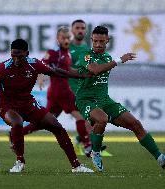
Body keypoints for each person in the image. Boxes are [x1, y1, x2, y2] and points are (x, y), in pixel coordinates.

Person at [75, 26, 165, 172]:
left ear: (107, 41)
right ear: (91, 40)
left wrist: (114, 61)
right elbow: (95, 69)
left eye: (101, 41)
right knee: (102, 119)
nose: (98, 44)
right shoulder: (85, 54)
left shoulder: (107, 58)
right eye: (95, 41)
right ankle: (95, 152)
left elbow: (101, 69)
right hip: (86, 100)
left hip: (105, 100)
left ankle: (160, 158)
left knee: (135, 124)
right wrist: (120, 60)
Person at [0, 39, 94, 173]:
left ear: (27, 53)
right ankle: (20, 161)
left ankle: (76, 166)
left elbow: (56, 72)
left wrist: (79, 75)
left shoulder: (34, 64)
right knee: (17, 122)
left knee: (56, 126)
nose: (16, 59)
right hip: (7, 106)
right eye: (13, 55)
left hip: (28, 104)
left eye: (20, 56)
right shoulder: (3, 68)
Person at [19, 26, 93, 157]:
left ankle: (19, 133)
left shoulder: (66, 53)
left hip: (56, 93)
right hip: (62, 92)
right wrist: (41, 77)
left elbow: (68, 69)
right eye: (63, 38)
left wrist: (82, 73)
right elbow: (42, 63)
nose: (66, 40)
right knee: (80, 116)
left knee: (46, 121)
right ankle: (87, 146)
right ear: (58, 39)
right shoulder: (54, 52)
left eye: (68, 38)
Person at [69, 19, 110, 156]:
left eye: (82, 28)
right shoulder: (67, 48)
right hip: (69, 88)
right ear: (72, 30)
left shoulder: (88, 49)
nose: (80, 30)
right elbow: (58, 65)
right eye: (77, 28)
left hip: (82, 88)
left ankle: (84, 142)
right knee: (87, 118)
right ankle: (87, 145)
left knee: (90, 118)